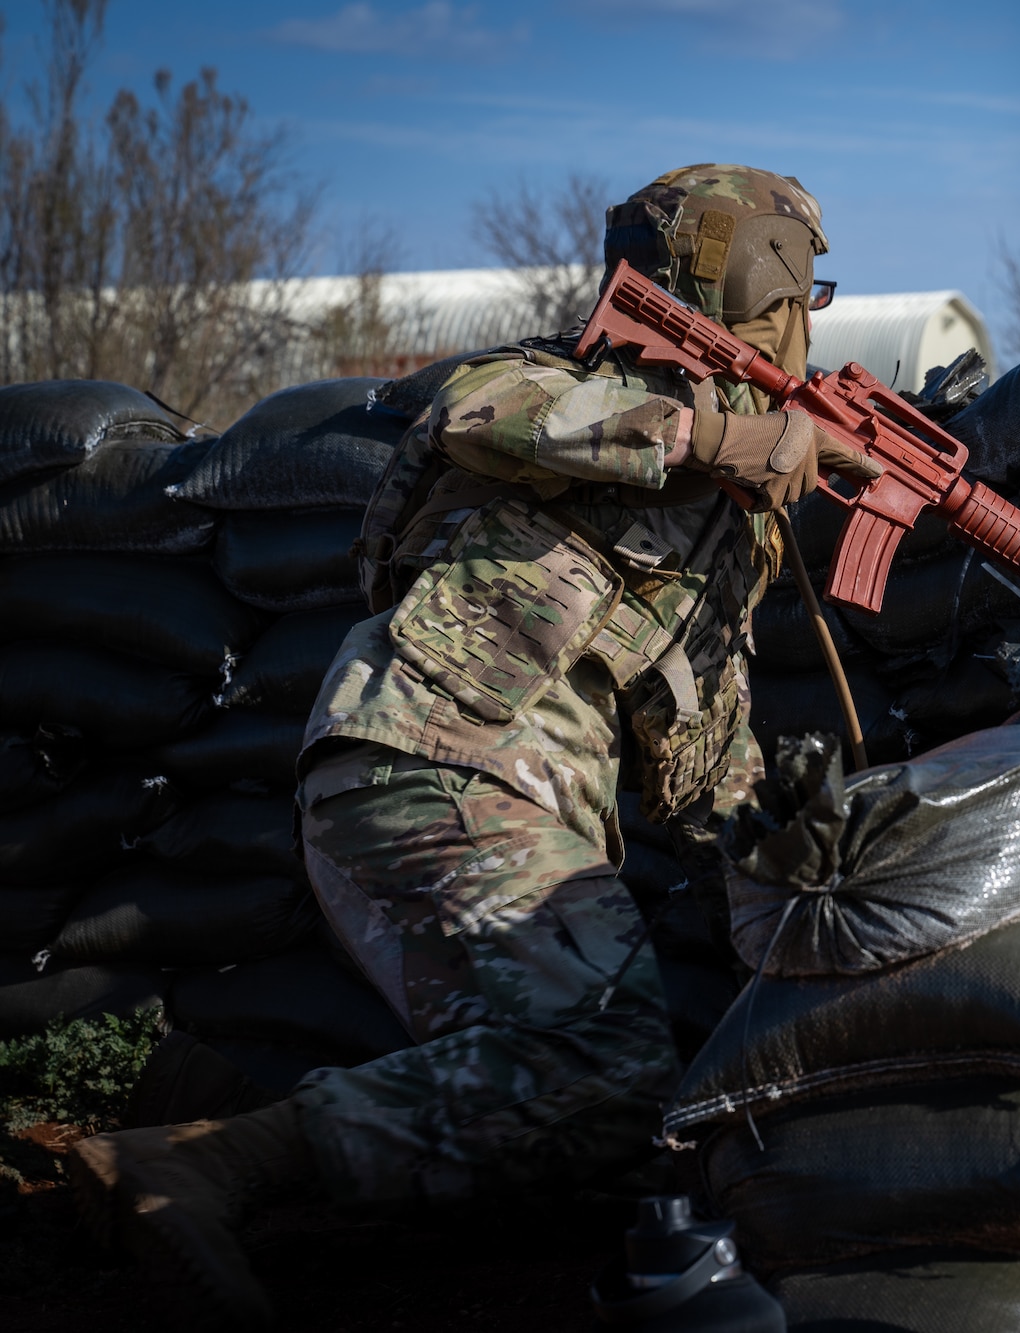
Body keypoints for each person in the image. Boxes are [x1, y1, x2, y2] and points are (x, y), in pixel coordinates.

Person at [73, 164, 873, 1328]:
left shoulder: (722, 522)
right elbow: (469, 408)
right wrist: (716, 434)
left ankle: (225, 1087)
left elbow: (695, 752)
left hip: (500, 799)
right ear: (761, 279)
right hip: (435, 764)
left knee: (610, 1120)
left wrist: (794, 851)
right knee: (602, 1059)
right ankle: (206, 1162)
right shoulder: (568, 385)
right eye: (795, 292)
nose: (800, 323)